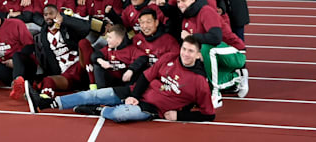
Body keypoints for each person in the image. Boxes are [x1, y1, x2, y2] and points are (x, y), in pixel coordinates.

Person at [30, 36, 216, 123]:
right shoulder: (170, 58)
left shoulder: (200, 82)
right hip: (134, 92)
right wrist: (134, 94)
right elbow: (145, 76)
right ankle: (47, 103)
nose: (185, 54)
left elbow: (209, 115)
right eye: (184, 49)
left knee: (121, 115)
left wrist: (180, 116)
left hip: (151, 108)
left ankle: (97, 111)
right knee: (93, 94)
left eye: (191, 51)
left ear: (199, 55)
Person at [176, 0, 248, 107]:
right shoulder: (186, 18)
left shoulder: (206, 11)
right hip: (215, 56)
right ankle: (237, 77)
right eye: (178, 2)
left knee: (206, 49)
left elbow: (215, 38)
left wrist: (192, 37)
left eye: (184, 0)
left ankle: (216, 94)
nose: (181, 4)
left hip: (235, 52)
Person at [31, 4, 93, 95]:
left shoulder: (67, 26)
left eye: (51, 13)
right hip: (66, 73)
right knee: (48, 80)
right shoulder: (44, 33)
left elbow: (86, 27)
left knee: (83, 43)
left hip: (80, 65)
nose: (48, 16)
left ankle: (94, 86)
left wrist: (65, 20)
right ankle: (44, 99)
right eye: (45, 14)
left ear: (58, 14)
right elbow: (33, 16)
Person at [0, 5, 36, 100]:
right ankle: (17, 84)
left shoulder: (16, 24)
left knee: (16, 56)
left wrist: (15, 62)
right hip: (8, 69)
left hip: (25, 65)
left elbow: (30, 46)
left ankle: (18, 83)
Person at [88, 23, 145, 89]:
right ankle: (101, 92)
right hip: (111, 80)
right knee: (97, 65)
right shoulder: (108, 48)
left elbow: (143, 58)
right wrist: (101, 61)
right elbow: (95, 55)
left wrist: (131, 70)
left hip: (125, 81)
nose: (107, 40)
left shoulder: (131, 49)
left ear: (119, 39)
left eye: (110, 37)